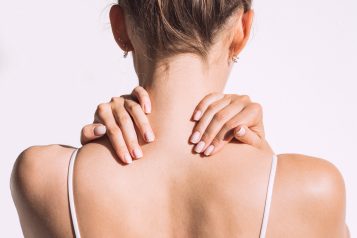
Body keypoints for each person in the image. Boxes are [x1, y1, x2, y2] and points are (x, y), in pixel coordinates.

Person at [11, 0, 349, 237]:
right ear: (243, 29)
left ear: (119, 27)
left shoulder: (43, 177)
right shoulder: (313, 191)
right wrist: (265, 161)